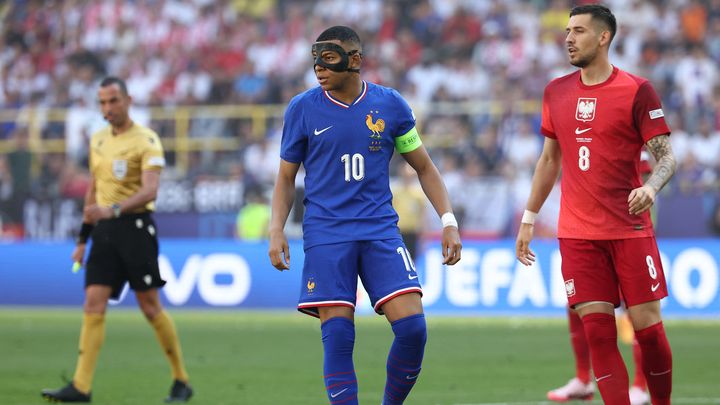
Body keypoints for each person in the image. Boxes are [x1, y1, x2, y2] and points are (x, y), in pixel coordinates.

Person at [268, 26, 462, 405]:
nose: (319, 69)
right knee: (339, 336)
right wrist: (276, 229)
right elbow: (286, 178)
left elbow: (424, 167)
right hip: (326, 234)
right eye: (315, 60)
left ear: (354, 61)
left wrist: (448, 221)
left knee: (413, 330)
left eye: (329, 59)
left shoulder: (390, 105)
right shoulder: (302, 109)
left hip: (380, 232)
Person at [515, 5, 675, 405]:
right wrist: (529, 218)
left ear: (603, 37)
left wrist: (651, 188)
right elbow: (549, 160)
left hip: (629, 229)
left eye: (579, 31)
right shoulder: (556, 91)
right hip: (578, 234)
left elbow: (667, 157)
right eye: (568, 30)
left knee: (648, 330)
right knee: (599, 335)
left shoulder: (637, 90)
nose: (568, 38)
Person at [41, 77, 193, 403]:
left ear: (128, 100)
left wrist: (113, 209)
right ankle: (81, 386)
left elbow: (151, 190)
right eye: (102, 103)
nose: (107, 108)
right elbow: (93, 191)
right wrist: (83, 239)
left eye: (113, 101)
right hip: (104, 234)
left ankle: (181, 380)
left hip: (136, 229)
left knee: (150, 306)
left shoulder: (146, 140)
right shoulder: (98, 141)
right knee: (93, 304)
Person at [548, 150, 656, 404]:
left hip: (625, 237)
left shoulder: (628, 139)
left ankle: (640, 386)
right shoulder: (586, 134)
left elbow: (647, 187)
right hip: (590, 234)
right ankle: (583, 380)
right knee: (577, 306)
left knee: (636, 312)